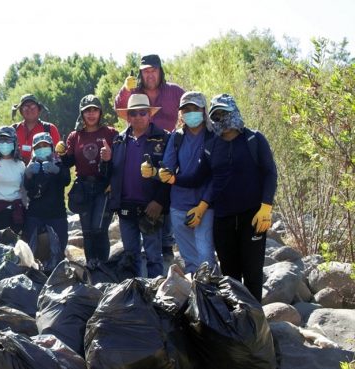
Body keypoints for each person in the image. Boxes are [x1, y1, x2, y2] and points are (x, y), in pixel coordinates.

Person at [155, 94, 277, 301]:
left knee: (253, 273)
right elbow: (198, 178)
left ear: (234, 112)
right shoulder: (212, 146)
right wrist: (174, 179)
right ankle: (236, 321)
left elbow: (270, 173)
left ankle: (255, 324)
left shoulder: (254, 139)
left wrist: (266, 206)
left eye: (224, 113)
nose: (221, 119)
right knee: (230, 275)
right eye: (217, 115)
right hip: (222, 218)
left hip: (253, 217)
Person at [115, 54, 185, 260]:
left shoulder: (174, 91)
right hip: (140, 144)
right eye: (145, 71)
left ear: (160, 71)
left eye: (153, 70)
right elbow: (120, 108)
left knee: (167, 187)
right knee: (142, 188)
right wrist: (125, 90)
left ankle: (166, 244)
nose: (150, 74)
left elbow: (191, 106)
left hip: (169, 146)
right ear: (141, 73)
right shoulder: (134, 91)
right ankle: (151, 251)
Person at [145, 91, 216, 273]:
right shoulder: (177, 137)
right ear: (180, 113)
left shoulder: (214, 136)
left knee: (206, 256)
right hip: (179, 205)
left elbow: (216, 176)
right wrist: (154, 172)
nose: (190, 113)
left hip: (206, 205)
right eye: (186, 109)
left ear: (203, 110)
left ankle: (211, 295)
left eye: (194, 108)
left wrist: (203, 205)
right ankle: (197, 297)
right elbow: (167, 170)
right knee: (190, 260)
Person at [109, 94, 171, 278]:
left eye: (142, 113)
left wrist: (159, 201)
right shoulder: (119, 140)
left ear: (149, 114)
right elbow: (112, 173)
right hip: (126, 206)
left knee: (154, 256)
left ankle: (156, 295)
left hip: (151, 206)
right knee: (130, 255)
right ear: (128, 116)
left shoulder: (164, 138)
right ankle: (135, 295)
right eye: (133, 113)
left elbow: (171, 174)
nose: (138, 117)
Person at [56, 94, 118, 265]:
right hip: (83, 186)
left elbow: (120, 163)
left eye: (94, 110)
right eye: (87, 111)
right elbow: (69, 162)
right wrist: (61, 154)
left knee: (100, 229)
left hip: (103, 187)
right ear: (82, 114)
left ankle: (103, 265)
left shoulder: (110, 133)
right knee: (87, 230)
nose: (91, 114)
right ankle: (91, 265)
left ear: (100, 112)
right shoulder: (74, 136)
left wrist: (109, 159)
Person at [23, 132, 71, 259]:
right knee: (32, 249)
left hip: (56, 214)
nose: (42, 149)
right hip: (35, 214)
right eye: (38, 147)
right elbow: (28, 188)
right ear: (34, 149)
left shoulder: (59, 163)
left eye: (45, 145)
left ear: (51, 146)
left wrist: (57, 171)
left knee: (60, 247)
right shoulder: (32, 165)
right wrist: (27, 174)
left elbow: (66, 180)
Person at [12, 94, 61, 164]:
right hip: (17, 173)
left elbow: (58, 155)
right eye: (25, 107)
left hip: (44, 172)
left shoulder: (50, 129)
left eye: (33, 106)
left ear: (39, 109)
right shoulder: (13, 130)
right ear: (21, 111)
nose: (29, 109)